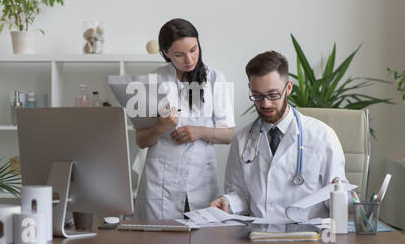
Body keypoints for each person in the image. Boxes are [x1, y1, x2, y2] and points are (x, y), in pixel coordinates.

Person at [210, 51, 347, 221]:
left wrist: (341, 195)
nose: (265, 104)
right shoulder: (242, 140)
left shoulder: (322, 136)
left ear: (288, 88)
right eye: (257, 96)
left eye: (273, 95)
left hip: (308, 237)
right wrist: (228, 202)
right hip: (260, 237)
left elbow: (336, 195)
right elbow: (240, 195)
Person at [134, 18, 235, 220]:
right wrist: (161, 127)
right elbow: (141, 140)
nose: (189, 59)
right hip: (160, 184)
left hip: (201, 182)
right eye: (179, 54)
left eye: (194, 49)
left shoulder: (215, 78)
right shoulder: (152, 81)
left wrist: (200, 132)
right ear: (165, 53)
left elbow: (228, 135)